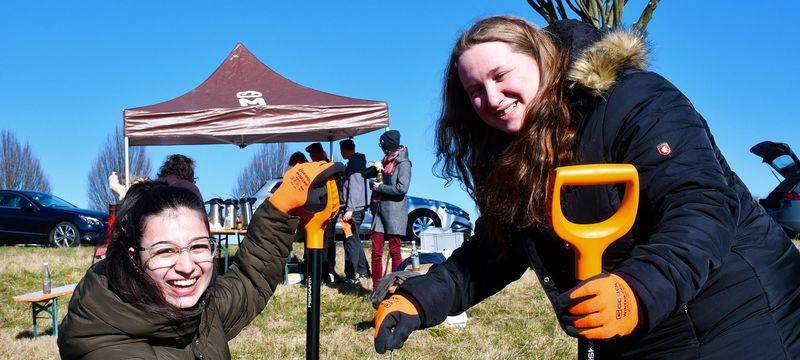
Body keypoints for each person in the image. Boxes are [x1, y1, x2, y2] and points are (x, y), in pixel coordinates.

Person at [373, 16, 800, 358]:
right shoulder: (514, 153)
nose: (493, 97)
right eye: (475, 92)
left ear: (541, 58)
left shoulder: (632, 101)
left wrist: (637, 288)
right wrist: (420, 298)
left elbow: (700, 205)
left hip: (738, 314)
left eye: (501, 75)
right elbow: (494, 251)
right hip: (628, 330)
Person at [58, 161, 341, 359]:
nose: (187, 266)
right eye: (165, 251)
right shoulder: (111, 348)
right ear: (134, 258)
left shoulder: (196, 309)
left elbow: (249, 282)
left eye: (198, 247)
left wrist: (280, 208)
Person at [369, 130, 411, 291]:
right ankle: (377, 289)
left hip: (395, 213)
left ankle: (395, 289)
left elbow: (402, 188)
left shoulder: (404, 164)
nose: (381, 148)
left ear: (388, 144)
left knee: (395, 251)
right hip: (380, 211)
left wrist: (381, 187)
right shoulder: (385, 161)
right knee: (376, 252)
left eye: (383, 144)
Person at [305, 142, 339, 283]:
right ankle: (317, 272)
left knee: (327, 243)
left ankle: (328, 272)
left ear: (319, 153)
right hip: (316, 209)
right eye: (310, 155)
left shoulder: (327, 167)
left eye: (313, 155)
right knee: (319, 243)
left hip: (327, 210)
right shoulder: (315, 167)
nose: (312, 157)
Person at [339, 138, 371, 283]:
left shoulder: (355, 163)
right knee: (355, 240)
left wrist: (350, 209)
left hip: (354, 209)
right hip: (355, 208)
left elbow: (356, 187)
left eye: (341, 150)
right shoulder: (355, 162)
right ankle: (364, 271)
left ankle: (350, 275)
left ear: (345, 150)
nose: (341, 153)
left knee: (350, 241)